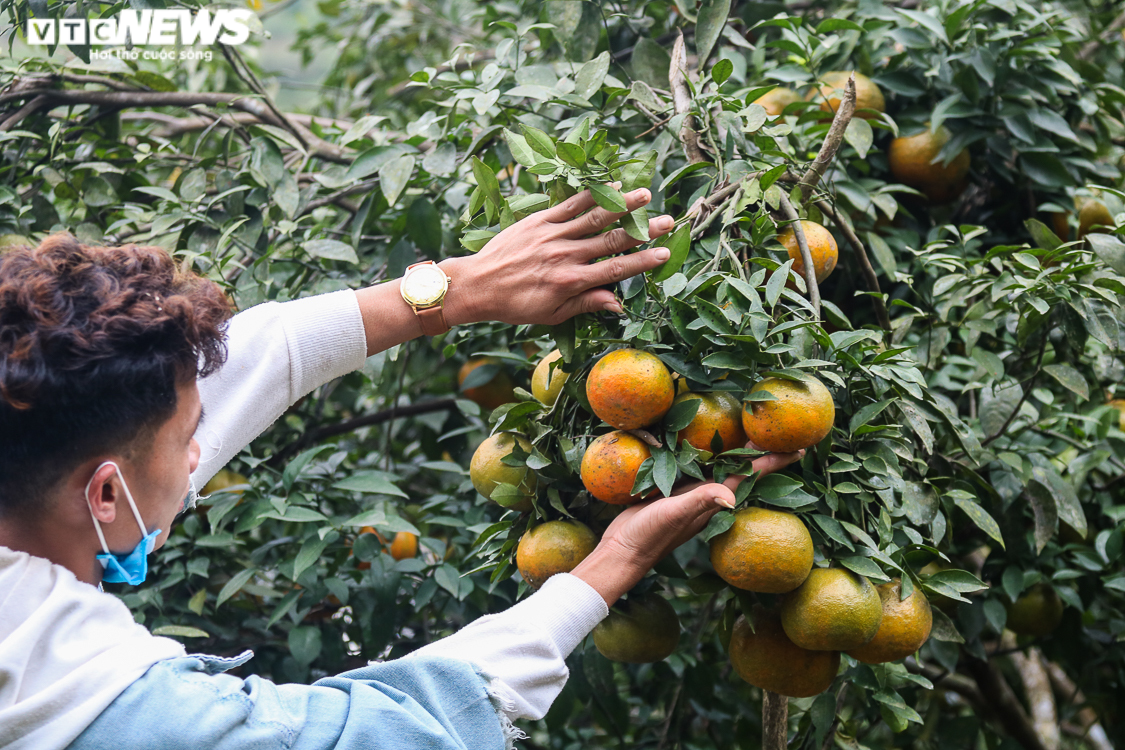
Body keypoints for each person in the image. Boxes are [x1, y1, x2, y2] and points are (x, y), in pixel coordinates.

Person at [0, 188, 802, 750]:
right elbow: (385, 734)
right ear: (105, 494)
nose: (201, 453)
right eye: (189, 440)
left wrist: (459, 289)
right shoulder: (59, 685)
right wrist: (612, 564)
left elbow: (257, 355)